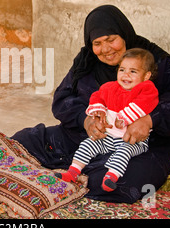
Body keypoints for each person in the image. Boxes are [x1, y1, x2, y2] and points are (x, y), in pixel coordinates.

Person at [12, 5, 170, 203]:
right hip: (85, 137)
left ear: (124, 34)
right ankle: (77, 169)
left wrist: (150, 120)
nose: (105, 49)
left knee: (124, 183)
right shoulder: (86, 61)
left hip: (137, 144)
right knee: (22, 142)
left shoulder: (152, 61)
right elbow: (63, 99)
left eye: (111, 40)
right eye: (97, 43)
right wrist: (86, 120)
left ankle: (79, 174)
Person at [55, 48, 159, 192]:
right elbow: (97, 97)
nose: (126, 75)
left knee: (124, 152)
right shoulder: (110, 87)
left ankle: (111, 177)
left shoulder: (146, 89)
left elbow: (146, 102)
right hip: (108, 137)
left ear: (146, 76)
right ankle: (73, 171)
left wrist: (124, 118)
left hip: (132, 140)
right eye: (122, 70)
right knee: (88, 144)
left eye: (133, 72)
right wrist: (98, 110)